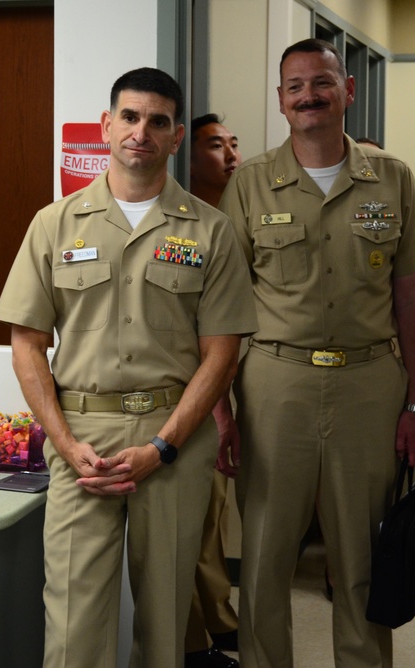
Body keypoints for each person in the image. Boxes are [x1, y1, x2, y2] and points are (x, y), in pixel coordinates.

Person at [0, 68, 258, 668]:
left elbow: (221, 354)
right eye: (131, 118)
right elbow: (28, 344)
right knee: (71, 618)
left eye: (158, 122)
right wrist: (63, 443)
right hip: (79, 442)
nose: (142, 132)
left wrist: (162, 448)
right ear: (107, 127)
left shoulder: (210, 232)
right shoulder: (53, 224)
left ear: (176, 137)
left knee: (166, 619)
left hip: (173, 442)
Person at [219, 38, 415, 667]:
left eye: (321, 82)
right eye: (295, 86)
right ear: (281, 102)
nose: (309, 95)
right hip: (273, 384)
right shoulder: (251, 184)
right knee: (263, 559)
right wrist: (222, 408)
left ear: (347, 89)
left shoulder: (392, 178)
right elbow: (223, 309)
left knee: (363, 559)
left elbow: (411, 297)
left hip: (369, 386)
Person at [184, 112, 242, 668]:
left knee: (216, 511)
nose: (230, 155)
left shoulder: (234, 215)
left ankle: (218, 616)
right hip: (196, 391)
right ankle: (203, 633)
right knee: (200, 513)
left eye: (233, 144)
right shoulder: (185, 225)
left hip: (242, 377)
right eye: (214, 145)